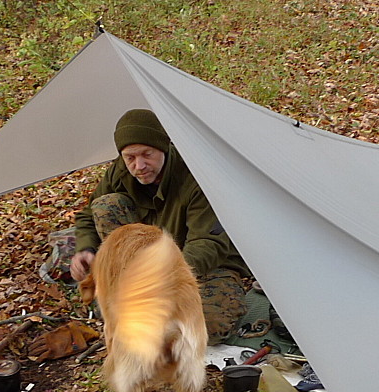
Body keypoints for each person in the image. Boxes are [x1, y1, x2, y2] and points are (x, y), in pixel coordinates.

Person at [69, 108, 250, 345]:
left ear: (163, 148)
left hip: (202, 264)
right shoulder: (121, 171)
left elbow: (209, 243)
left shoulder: (194, 176)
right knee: (106, 205)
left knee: (207, 327)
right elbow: (87, 214)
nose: (139, 165)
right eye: (130, 158)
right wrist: (86, 249)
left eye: (147, 154)